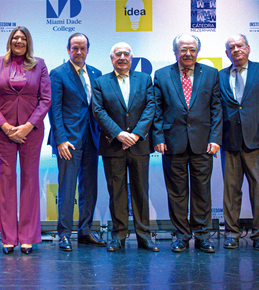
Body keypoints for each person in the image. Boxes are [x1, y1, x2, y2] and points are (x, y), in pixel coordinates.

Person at [0, 26, 51, 255]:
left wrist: (28, 126)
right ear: (10, 41)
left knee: (30, 181)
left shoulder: (39, 64)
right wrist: (5, 125)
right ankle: (9, 238)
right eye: (15, 38)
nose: (19, 41)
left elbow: (46, 99)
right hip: (4, 131)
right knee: (6, 181)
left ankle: (28, 237)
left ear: (28, 42)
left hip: (31, 130)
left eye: (23, 38)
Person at [152, 34, 221, 254]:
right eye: (183, 49)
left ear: (198, 51)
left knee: (202, 191)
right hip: (173, 144)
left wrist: (215, 138)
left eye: (192, 49)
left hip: (203, 144)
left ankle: (202, 235)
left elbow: (217, 109)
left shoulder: (211, 74)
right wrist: (159, 138)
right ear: (175, 52)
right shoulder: (162, 75)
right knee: (177, 193)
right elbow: (157, 110)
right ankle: (181, 235)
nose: (188, 53)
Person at [92, 42, 157, 252]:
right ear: (111, 59)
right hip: (114, 146)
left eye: (126, 54)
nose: (122, 57)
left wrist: (136, 134)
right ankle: (118, 236)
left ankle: (144, 236)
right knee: (117, 193)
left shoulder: (145, 79)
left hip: (139, 145)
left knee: (140, 192)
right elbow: (98, 111)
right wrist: (119, 133)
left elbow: (150, 106)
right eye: (117, 54)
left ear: (132, 58)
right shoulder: (101, 82)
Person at [47, 33, 105, 251]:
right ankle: (64, 234)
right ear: (68, 49)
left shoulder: (96, 73)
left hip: (92, 138)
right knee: (67, 187)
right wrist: (61, 140)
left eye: (82, 48)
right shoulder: (58, 74)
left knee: (90, 187)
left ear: (88, 49)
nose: (79, 52)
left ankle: (86, 231)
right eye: (74, 48)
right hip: (68, 141)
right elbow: (55, 110)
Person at [219, 34, 259, 251]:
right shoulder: (220, 76)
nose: (236, 50)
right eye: (231, 47)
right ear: (227, 53)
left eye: (240, 46)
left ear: (248, 48)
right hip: (230, 141)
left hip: (258, 141)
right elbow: (216, 111)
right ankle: (232, 233)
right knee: (231, 191)